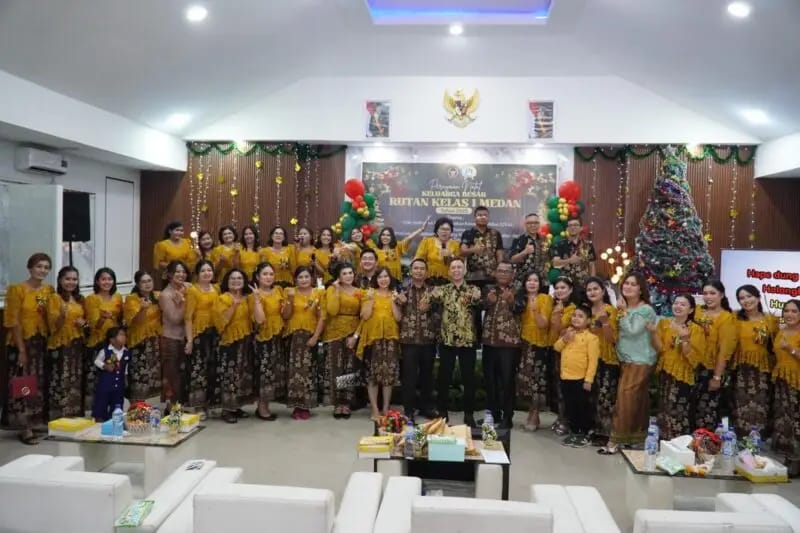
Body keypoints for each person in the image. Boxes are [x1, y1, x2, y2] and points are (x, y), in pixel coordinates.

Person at [598, 273, 658, 455]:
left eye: (633, 284)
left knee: (625, 398)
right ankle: (636, 438)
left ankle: (615, 440)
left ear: (641, 289)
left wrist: (623, 313)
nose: (628, 287)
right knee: (636, 401)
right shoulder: (622, 308)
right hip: (624, 359)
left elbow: (632, 331)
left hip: (640, 360)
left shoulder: (645, 310)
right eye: (626, 283)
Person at [2, 253, 53, 444]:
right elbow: (13, 321)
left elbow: (45, 313)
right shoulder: (17, 290)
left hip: (40, 343)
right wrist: (21, 350)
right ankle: (24, 427)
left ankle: (35, 421)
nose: (42, 270)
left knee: (37, 384)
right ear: (30, 268)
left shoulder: (47, 290)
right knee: (24, 383)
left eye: (46, 267)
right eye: (39, 266)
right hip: (21, 343)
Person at [431, 258, 482, 427]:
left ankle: (469, 414)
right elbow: (429, 302)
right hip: (447, 340)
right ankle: (442, 412)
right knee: (444, 378)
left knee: (469, 379)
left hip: (467, 340)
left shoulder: (474, 290)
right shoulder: (443, 290)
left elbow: (478, 302)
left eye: (460, 267)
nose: (456, 270)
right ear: (449, 271)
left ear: (464, 270)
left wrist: (477, 298)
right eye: (453, 267)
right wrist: (431, 294)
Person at [652, 294, 705, 440]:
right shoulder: (664, 323)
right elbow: (659, 349)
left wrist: (685, 340)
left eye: (683, 304)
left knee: (678, 411)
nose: (678, 306)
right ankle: (663, 441)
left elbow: (694, 359)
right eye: (676, 303)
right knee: (664, 408)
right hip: (665, 372)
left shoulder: (695, 329)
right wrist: (653, 333)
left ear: (691, 310)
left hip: (682, 375)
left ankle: (679, 443)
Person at [481, 261, 524, 429]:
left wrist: (512, 300)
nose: (503, 274)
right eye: (500, 271)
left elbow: (521, 308)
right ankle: (493, 414)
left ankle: (507, 416)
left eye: (507, 271)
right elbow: (478, 306)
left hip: (509, 344)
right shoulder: (488, 289)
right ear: (495, 273)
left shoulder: (518, 290)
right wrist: (488, 302)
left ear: (512, 274)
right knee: (490, 381)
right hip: (489, 341)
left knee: (507, 381)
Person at [731, 285, 778, 437]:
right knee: (740, 406)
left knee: (761, 406)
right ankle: (741, 440)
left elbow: (779, 340)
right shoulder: (734, 318)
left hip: (762, 371)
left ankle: (759, 442)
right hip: (741, 371)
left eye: (749, 296)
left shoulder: (770, 319)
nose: (746, 300)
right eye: (741, 298)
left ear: (758, 297)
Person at [356, 268, 403, 420]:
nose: (383, 279)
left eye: (386, 276)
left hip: (390, 339)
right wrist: (370, 299)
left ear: (390, 279)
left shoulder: (395, 294)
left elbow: (398, 318)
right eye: (380, 277)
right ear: (376, 279)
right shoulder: (369, 293)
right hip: (373, 339)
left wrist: (394, 301)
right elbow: (365, 316)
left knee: (388, 376)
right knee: (373, 376)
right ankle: (375, 409)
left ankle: (386, 408)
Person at [396, 258, 439, 422]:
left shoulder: (433, 292)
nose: (419, 271)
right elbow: (396, 316)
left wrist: (431, 308)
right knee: (409, 377)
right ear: (410, 271)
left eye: (422, 268)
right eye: (416, 268)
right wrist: (398, 303)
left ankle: (426, 407)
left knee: (427, 376)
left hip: (428, 339)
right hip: (409, 340)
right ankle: (408, 410)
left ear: (426, 272)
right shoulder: (403, 291)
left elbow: (440, 314)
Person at [553, 303, 599, 448]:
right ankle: (573, 432)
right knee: (570, 407)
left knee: (582, 407)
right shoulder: (568, 332)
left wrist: (588, 380)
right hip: (566, 377)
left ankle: (583, 434)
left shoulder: (591, 338)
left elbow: (593, 361)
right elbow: (557, 347)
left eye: (580, 316)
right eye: (574, 315)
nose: (576, 318)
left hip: (581, 379)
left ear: (588, 321)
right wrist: (565, 339)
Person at [282, 266, 325, 420]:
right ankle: (296, 406)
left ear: (311, 278)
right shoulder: (289, 292)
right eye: (300, 277)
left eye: (306, 276)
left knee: (308, 371)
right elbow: (285, 316)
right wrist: (290, 299)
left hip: (309, 336)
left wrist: (315, 337)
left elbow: (322, 317)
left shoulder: (318, 293)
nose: (304, 280)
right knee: (294, 372)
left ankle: (306, 405)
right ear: (295, 279)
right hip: (293, 337)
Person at [693, 280, 737, 430]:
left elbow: (724, 350)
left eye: (712, 293)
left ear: (721, 295)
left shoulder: (726, 318)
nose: (708, 297)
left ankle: (705, 441)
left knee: (705, 411)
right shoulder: (697, 311)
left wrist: (717, 377)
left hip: (710, 370)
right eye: (705, 293)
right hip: (690, 366)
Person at [213, 268, 254, 423]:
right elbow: (220, 322)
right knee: (229, 375)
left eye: (239, 278)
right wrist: (234, 306)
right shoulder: (222, 299)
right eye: (232, 278)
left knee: (242, 374)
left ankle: (237, 406)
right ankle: (227, 409)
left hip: (246, 341)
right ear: (227, 282)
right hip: (229, 342)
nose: (236, 281)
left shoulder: (248, 298)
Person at [46, 266, 86, 420]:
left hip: (77, 345)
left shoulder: (79, 299)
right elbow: (53, 327)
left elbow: (87, 324)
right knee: (60, 380)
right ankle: (58, 417)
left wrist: (84, 324)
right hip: (60, 346)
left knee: (75, 380)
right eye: (67, 279)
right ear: (60, 280)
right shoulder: (54, 298)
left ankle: (73, 415)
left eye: (74, 279)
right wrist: (62, 315)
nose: (71, 282)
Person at [322, 263, 362, 419]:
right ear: (338, 276)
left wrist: (355, 336)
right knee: (336, 368)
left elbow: (363, 316)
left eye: (350, 272)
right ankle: (337, 403)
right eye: (344, 273)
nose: (348, 276)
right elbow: (332, 311)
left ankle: (346, 402)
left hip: (352, 333)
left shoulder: (359, 292)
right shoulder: (331, 290)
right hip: (334, 334)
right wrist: (337, 291)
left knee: (349, 368)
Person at [517, 270, 553, 432]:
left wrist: (535, 310)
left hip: (539, 345)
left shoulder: (545, 299)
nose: (532, 283)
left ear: (540, 284)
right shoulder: (520, 298)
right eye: (529, 280)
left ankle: (535, 413)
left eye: (535, 280)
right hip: (523, 344)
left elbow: (543, 324)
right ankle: (531, 412)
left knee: (537, 381)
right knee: (525, 381)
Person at [84, 268, 123, 414]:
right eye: (103, 279)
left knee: (113, 377)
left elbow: (120, 320)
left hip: (114, 345)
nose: (107, 282)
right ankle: (97, 412)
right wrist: (102, 318)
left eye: (110, 279)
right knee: (98, 379)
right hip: (98, 344)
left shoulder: (118, 297)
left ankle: (113, 410)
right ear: (97, 281)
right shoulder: (92, 299)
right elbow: (93, 326)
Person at [584, 277, 619, 442]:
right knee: (591, 395)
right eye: (589, 290)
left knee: (605, 396)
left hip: (607, 359)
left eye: (595, 289)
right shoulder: (586, 311)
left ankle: (605, 433)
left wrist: (604, 323)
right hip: (589, 359)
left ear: (603, 291)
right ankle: (592, 429)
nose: (592, 292)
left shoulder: (610, 310)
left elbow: (612, 339)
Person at [184, 260, 219, 418]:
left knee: (212, 369)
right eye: (203, 271)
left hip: (214, 333)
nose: (207, 273)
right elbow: (188, 317)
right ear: (197, 274)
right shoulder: (193, 290)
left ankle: (208, 404)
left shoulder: (216, 288)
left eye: (209, 270)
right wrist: (190, 340)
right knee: (199, 370)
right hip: (199, 335)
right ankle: (198, 406)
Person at [251, 262, 284, 421]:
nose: (268, 277)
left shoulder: (278, 291)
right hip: (263, 338)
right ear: (258, 276)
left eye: (271, 274)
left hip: (277, 336)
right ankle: (262, 407)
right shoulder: (254, 295)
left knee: (273, 372)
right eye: (265, 274)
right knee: (264, 373)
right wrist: (257, 299)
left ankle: (266, 405)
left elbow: (284, 313)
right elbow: (259, 320)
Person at [123, 271, 162, 403]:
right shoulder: (132, 299)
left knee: (151, 377)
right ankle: (135, 408)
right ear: (138, 284)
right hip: (139, 343)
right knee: (138, 376)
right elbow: (136, 321)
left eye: (149, 281)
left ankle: (144, 409)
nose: (147, 284)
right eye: (143, 282)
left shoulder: (157, 296)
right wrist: (143, 309)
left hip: (154, 341)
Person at [549, 276, 578, 435]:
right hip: (552, 348)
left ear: (571, 290)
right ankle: (560, 417)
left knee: (565, 386)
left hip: (567, 352)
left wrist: (558, 314)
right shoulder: (554, 305)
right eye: (557, 288)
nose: (559, 291)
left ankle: (567, 420)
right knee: (556, 386)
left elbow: (562, 330)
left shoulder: (573, 309)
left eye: (563, 288)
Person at [159, 260, 189, 413]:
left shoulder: (188, 287)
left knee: (183, 374)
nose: (181, 274)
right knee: (172, 374)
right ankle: (171, 407)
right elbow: (175, 319)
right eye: (177, 271)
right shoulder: (165, 294)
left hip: (186, 337)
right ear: (170, 274)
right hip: (171, 339)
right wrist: (181, 302)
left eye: (183, 271)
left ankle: (181, 406)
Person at [772, 299, 800, 454]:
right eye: (786, 311)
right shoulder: (781, 331)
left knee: (796, 416)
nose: (789, 314)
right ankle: (785, 451)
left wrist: (791, 349)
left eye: (794, 311)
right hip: (782, 379)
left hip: (797, 381)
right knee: (783, 415)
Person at [91, 326, 131, 422]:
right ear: (112, 340)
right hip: (105, 383)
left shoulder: (126, 352)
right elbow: (97, 361)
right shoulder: (105, 351)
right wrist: (105, 366)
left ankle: (114, 421)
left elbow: (125, 367)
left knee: (117, 403)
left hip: (119, 385)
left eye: (124, 335)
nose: (124, 337)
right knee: (101, 402)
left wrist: (125, 379)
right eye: (120, 335)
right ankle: (99, 419)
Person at [460, 206, 504, 288]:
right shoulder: (468, 233)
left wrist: (498, 271)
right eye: (479, 215)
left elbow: (500, 256)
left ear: (488, 217)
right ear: (475, 217)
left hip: (491, 276)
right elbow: (462, 252)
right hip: (473, 277)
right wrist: (473, 249)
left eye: (485, 215)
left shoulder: (495, 233)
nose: (483, 217)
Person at [414, 217, 460, 286]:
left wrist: (451, 255)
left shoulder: (456, 245)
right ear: (437, 230)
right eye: (442, 229)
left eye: (447, 229)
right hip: (428, 279)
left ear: (451, 231)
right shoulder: (427, 242)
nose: (444, 231)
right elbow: (418, 260)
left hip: (449, 280)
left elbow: (459, 264)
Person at [550, 217, 596, 286]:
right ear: (567, 229)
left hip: (584, 284)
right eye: (570, 225)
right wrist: (570, 260)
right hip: (566, 285)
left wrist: (593, 282)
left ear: (581, 228)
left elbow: (592, 265)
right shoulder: (559, 245)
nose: (572, 227)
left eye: (575, 225)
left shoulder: (588, 245)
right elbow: (555, 263)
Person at [509, 213, 550, 289]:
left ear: (539, 224)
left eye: (535, 223)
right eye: (529, 223)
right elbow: (512, 260)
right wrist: (525, 252)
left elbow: (550, 258)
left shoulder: (544, 240)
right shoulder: (519, 240)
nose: (533, 225)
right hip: (523, 280)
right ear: (525, 225)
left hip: (542, 280)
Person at [153, 221, 196, 286]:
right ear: (170, 231)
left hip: (184, 275)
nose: (179, 233)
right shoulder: (162, 245)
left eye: (181, 231)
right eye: (177, 230)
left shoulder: (187, 242)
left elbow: (191, 259)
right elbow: (159, 263)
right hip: (170, 277)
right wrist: (175, 267)